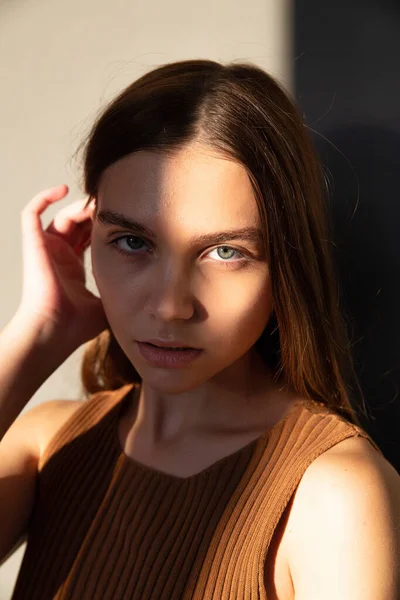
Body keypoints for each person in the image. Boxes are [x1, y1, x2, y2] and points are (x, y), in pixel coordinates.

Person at [0, 59, 399, 599]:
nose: (170, 307)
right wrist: (37, 332)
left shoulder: (332, 490)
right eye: (133, 242)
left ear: (287, 262)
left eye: (225, 251)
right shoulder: (49, 444)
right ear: (89, 237)